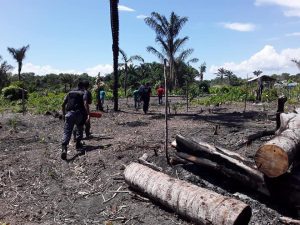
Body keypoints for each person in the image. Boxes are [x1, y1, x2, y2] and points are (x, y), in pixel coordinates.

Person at [61, 80, 90, 160]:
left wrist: (64, 114)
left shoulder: (69, 93)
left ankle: (64, 148)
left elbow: (63, 104)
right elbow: (85, 103)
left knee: (67, 132)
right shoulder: (83, 93)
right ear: (83, 86)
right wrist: (88, 114)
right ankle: (78, 144)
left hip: (69, 114)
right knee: (80, 128)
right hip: (79, 114)